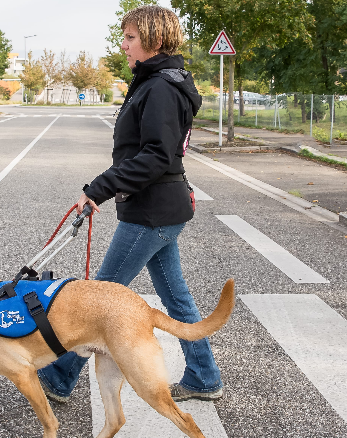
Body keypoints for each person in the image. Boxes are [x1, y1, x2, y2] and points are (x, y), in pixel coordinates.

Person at [37, 5, 224, 403]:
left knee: (100, 299)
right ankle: (204, 377)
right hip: (160, 208)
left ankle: (56, 380)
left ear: (154, 40)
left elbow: (156, 155)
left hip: (152, 211)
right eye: (124, 37)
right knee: (177, 300)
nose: (123, 45)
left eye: (130, 38)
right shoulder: (155, 82)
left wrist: (100, 187)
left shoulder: (159, 88)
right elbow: (143, 152)